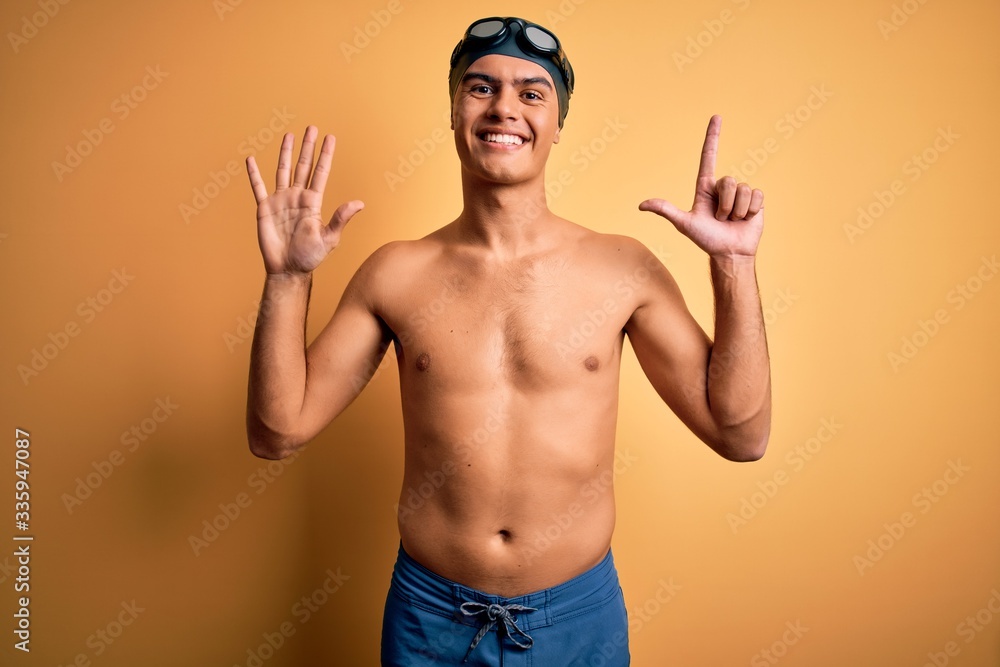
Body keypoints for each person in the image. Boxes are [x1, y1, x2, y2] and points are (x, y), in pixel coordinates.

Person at [244, 15, 770, 667]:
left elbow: (741, 435)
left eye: (531, 92)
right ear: (454, 111)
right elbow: (277, 432)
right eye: (480, 87)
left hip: (577, 619)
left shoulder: (623, 270)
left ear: (556, 123)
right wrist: (289, 279)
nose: (503, 107)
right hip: (430, 619)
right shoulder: (396, 273)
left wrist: (734, 266)